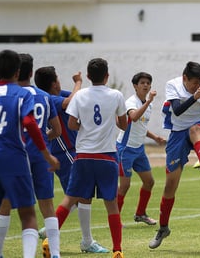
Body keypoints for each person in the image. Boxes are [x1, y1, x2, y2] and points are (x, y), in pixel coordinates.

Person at [56, 58, 127, 258]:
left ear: (87, 76)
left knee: (70, 199)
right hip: (107, 155)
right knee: (111, 203)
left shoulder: (80, 96)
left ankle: (50, 242)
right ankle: (117, 249)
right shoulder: (116, 95)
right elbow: (124, 125)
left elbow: (71, 124)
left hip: (83, 155)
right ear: (107, 76)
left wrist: (86, 127)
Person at [34, 66, 109, 253]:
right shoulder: (50, 98)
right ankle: (62, 232)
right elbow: (70, 102)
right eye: (58, 79)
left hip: (73, 151)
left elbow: (80, 97)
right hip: (65, 153)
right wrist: (78, 81)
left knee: (82, 195)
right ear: (53, 83)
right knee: (78, 195)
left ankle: (81, 239)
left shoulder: (59, 94)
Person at [0, 50, 59, 258]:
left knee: (3, 206)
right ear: (23, 72)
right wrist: (46, 152)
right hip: (20, 156)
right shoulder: (29, 95)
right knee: (34, 211)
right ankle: (50, 254)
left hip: (6, 156)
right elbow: (32, 123)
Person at [149, 61, 200, 249]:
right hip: (177, 134)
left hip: (198, 127)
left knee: (196, 129)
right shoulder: (173, 85)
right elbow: (177, 110)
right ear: (184, 78)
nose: (198, 86)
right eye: (194, 82)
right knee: (171, 185)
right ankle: (163, 228)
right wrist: (195, 97)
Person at [116, 72, 166, 225]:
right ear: (135, 86)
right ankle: (115, 218)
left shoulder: (147, 103)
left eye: (148, 83)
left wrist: (155, 137)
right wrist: (148, 101)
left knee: (149, 182)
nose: (145, 85)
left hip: (139, 149)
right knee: (124, 186)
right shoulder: (131, 102)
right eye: (142, 83)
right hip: (125, 149)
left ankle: (140, 214)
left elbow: (141, 126)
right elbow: (133, 117)